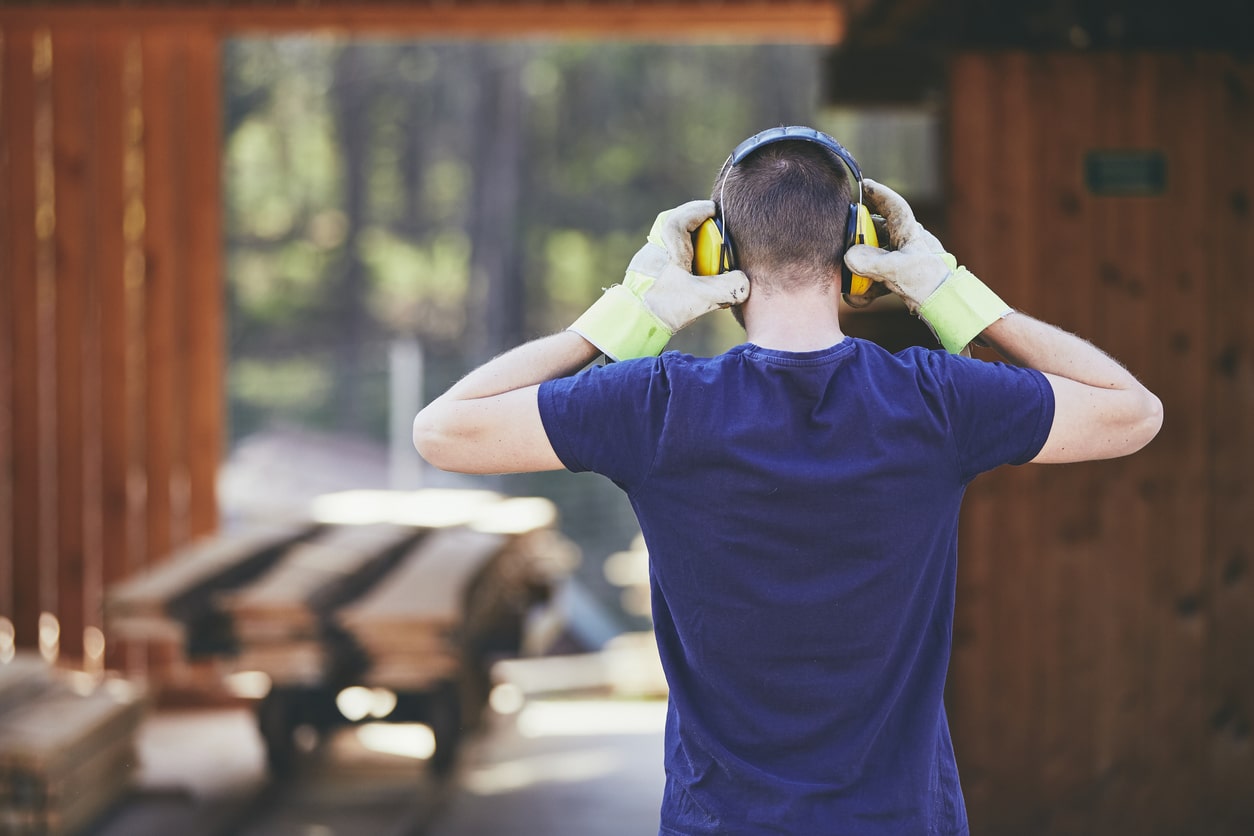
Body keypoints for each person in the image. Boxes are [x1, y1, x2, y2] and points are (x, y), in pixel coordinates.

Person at [413, 126, 1162, 835]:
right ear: (860, 251)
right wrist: (948, 292)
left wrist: (629, 316)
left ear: (717, 257)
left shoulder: (652, 406)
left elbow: (443, 431)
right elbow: (1133, 413)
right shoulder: (939, 400)